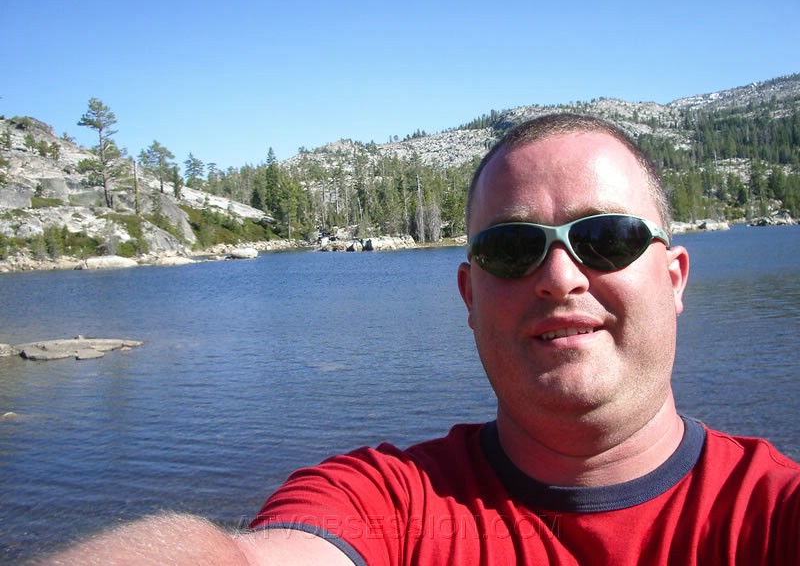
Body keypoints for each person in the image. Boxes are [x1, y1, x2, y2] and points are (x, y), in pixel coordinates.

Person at [38, 114, 799, 565]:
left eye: (605, 237)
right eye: (511, 248)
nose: (560, 276)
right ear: (470, 296)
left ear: (674, 277)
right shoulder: (387, 508)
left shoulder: (770, 515)